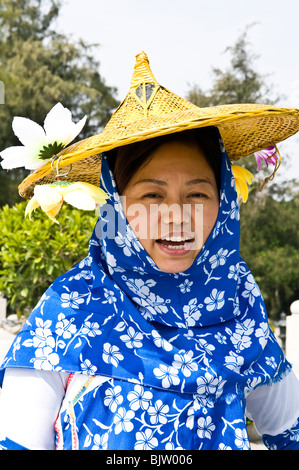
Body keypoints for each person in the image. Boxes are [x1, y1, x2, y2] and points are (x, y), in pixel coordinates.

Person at [0, 52, 299, 451]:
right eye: (152, 195)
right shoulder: (70, 312)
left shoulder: (238, 306)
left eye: (197, 194)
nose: (178, 217)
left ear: (223, 201)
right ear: (117, 205)